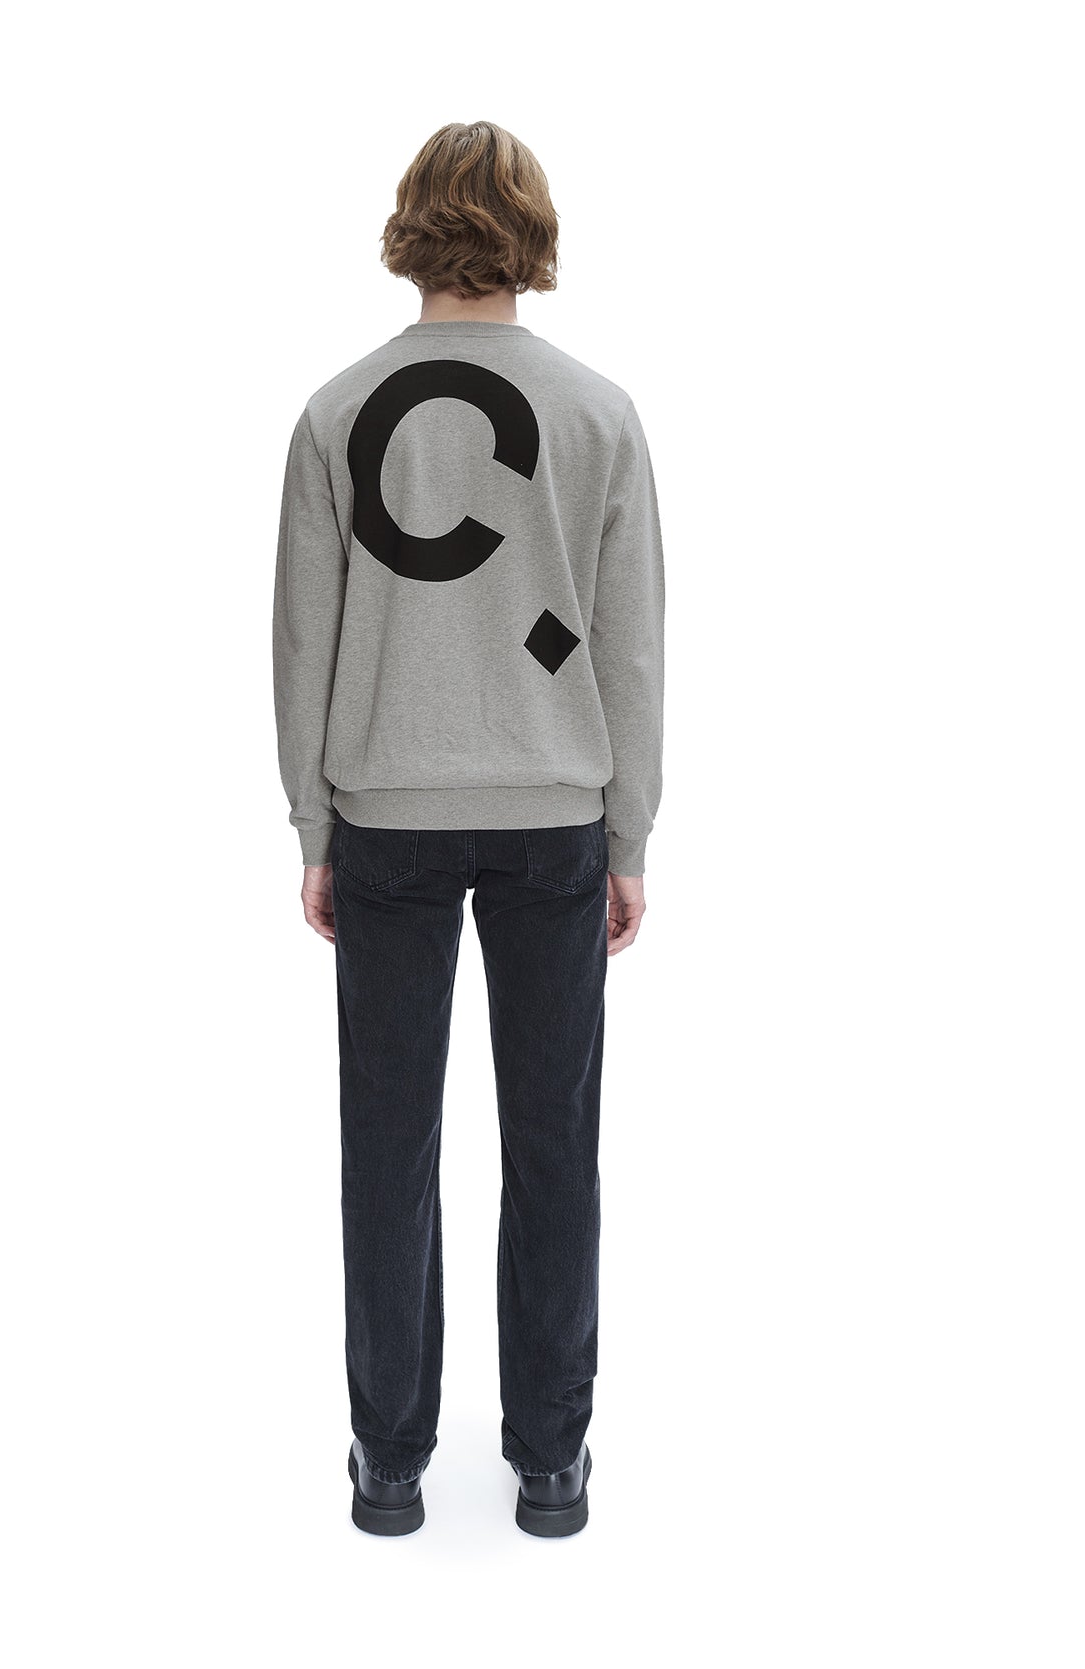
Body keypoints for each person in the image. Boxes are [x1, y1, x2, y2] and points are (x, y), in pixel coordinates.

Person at [272, 121, 665, 1538]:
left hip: (385, 814)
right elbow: (624, 644)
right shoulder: (598, 415)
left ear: (410, 229)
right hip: (556, 814)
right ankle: (550, 1463)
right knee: (554, 1145)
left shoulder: (334, 412)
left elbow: (305, 638)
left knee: (387, 1147)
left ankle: (389, 1464)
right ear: (532, 233)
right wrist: (630, 834)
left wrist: (313, 822)